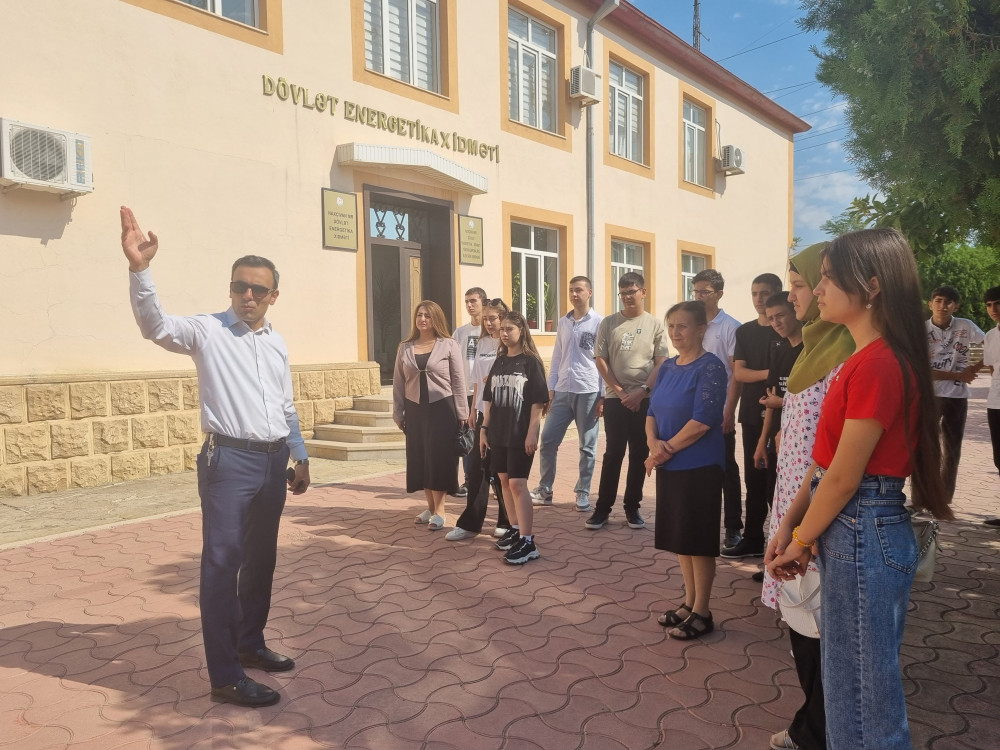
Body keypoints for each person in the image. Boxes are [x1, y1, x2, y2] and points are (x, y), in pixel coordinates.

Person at [767, 229, 953, 750]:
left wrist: (800, 541)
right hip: (851, 526)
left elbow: (846, 476)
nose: (817, 289)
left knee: (867, 700)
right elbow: (823, 466)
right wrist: (790, 526)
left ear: (871, 286)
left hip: (863, 526)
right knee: (848, 691)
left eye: (828, 277)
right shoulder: (860, 359)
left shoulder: (878, 363)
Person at [121, 206, 310, 708]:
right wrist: (142, 270)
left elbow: (286, 403)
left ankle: (249, 643)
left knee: (262, 561)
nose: (247, 295)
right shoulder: (206, 331)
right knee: (222, 564)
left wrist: (300, 455)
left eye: (258, 289)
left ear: (273, 296)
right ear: (231, 289)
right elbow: (155, 326)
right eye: (239, 286)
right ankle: (225, 675)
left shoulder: (276, 342)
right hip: (229, 463)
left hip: (273, 465)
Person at [760, 244, 854, 750]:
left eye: (800, 285)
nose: (803, 294)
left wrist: (800, 530)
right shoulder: (812, 351)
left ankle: (816, 730)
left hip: (821, 516)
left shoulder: (844, 357)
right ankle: (815, 725)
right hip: (796, 507)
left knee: (820, 632)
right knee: (803, 625)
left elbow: (832, 463)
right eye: (800, 284)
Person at [645, 301, 726, 640]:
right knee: (682, 538)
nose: (676, 332)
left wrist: (664, 451)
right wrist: (653, 444)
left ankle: (703, 612)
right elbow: (651, 410)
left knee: (698, 540)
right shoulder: (668, 367)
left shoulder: (711, 368)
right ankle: (689, 602)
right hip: (671, 463)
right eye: (672, 326)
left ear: (701, 329)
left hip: (699, 466)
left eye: (683, 326)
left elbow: (703, 420)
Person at [587, 272, 668, 530]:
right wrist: (621, 393)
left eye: (632, 292)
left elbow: (661, 362)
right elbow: (600, 359)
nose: (627, 297)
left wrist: (642, 391)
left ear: (643, 292)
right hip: (615, 399)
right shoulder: (609, 323)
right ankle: (602, 509)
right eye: (623, 293)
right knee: (613, 454)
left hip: (645, 400)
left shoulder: (655, 324)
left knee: (639, 453)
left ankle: (632, 508)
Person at [530, 276, 604, 512]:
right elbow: (558, 356)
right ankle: (545, 489)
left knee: (587, 446)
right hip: (562, 390)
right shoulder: (563, 322)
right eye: (571, 290)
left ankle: (582, 492)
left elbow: (604, 361)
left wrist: (603, 394)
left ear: (589, 293)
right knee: (549, 440)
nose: (574, 294)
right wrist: (550, 388)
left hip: (588, 390)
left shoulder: (599, 323)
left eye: (579, 290)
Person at [392, 301, 469, 530]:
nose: (422, 319)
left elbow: (458, 379)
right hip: (415, 410)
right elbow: (398, 382)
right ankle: (430, 507)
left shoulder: (448, 345)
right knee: (420, 458)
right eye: (419, 315)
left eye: (427, 315)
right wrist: (398, 411)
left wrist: (462, 411)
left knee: (438, 460)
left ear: (436, 319)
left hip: (442, 409)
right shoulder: (405, 347)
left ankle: (441, 511)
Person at [480, 311, 549, 564]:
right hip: (498, 433)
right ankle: (516, 529)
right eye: (502, 329)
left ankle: (529, 542)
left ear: (522, 331)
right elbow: (489, 402)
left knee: (518, 484)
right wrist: (484, 430)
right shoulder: (498, 361)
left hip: (520, 434)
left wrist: (533, 432)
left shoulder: (530, 362)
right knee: (504, 481)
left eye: (510, 329)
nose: (505, 333)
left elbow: (538, 402)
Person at [726, 273, 783, 558]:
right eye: (755, 293)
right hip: (751, 414)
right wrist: (773, 374)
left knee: (779, 484)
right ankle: (752, 539)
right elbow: (739, 373)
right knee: (755, 480)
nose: (759, 299)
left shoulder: (785, 328)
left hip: (783, 417)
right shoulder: (745, 331)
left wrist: (763, 377)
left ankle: (780, 544)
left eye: (765, 293)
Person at [447, 298, 511, 541]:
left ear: (503, 318)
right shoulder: (482, 342)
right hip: (483, 413)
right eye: (486, 318)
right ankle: (471, 523)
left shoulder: (508, 343)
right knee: (476, 469)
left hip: (504, 415)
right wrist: (473, 410)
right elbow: (476, 380)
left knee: (501, 471)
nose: (489, 323)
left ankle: (506, 521)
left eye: (493, 318)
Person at [691, 269, 743, 548]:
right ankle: (700, 525)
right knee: (697, 470)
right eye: (695, 291)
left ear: (719, 294)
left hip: (719, 412)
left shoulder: (730, 327)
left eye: (704, 292)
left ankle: (733, 527)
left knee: (726, 470)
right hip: (693, 412)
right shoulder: (693, 324)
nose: (698, 297)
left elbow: (735, 373)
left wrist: (728, 411)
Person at [926, 284, 984, 502]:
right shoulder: (922, 330)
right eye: (938, 301)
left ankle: (944, 497)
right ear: (930, 304)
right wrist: (959, 375)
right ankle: (923, 496)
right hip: (929, 397)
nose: (943, 306)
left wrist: (974, 369)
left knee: (952, 448)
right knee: (927, 447)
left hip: (957, 398)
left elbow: (992, 345)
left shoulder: (966, 326)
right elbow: (923, 369)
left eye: (948, 302)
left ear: (956, 306)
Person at [453, 287, 488, 497]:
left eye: (473, 301)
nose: (469, 305)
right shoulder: (460, 332)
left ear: (483, 302)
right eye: (466, 301)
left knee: (487, 435)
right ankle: (468, 480)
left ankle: (489, 477)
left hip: (486, 393)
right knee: (468, 437)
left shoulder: (490, 330)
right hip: (466, 390)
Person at [979, 286, 1000, 527]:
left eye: (997, 303)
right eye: (989, 305)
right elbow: (992, 369)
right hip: (995, 403)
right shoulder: (991, 335)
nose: (993, 309)